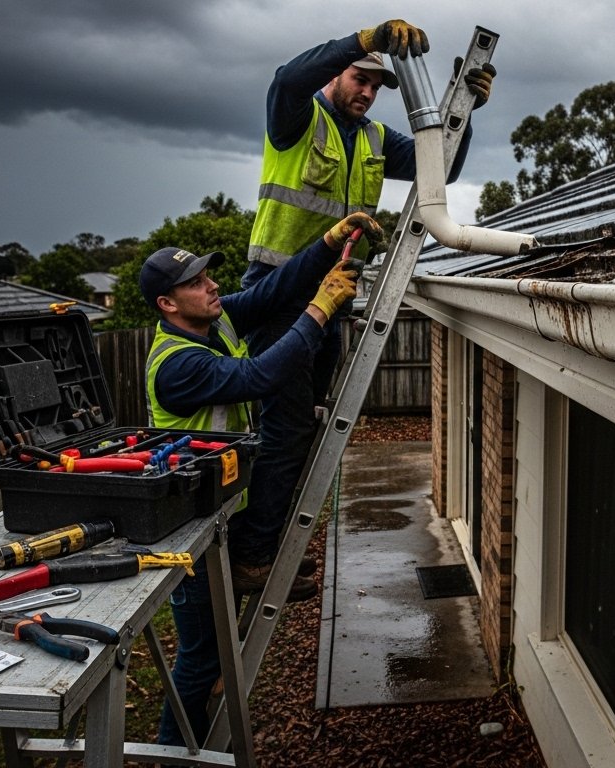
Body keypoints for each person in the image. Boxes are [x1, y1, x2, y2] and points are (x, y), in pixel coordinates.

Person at [231, 19, 496, 595]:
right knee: (287, 427)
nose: (368, 92)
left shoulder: (374, 140)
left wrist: (464, 109)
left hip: (332, 294)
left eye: (377, 87)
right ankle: (250, 554)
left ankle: (269, 548)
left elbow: (440, 166)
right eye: (360, 79)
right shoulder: (298, 119)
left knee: (307, 428)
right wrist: (365, 40)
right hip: (277, 293)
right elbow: (285, 80)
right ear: (336, 73)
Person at [141, 213, 374, 747]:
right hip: (193, 529)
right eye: (196, 282)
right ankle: (174, 754)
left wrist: (326, 244)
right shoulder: (177, 363)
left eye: (208, 275)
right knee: (200, 657)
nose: (212, 284)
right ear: (167, 304)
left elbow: (273, 291)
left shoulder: (213, 323)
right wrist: (321, 309)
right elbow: (260, 376)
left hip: (223, 512)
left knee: (214, 652)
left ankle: (194, 744)